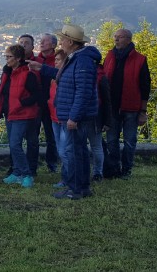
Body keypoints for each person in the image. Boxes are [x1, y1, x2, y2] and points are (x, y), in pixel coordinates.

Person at [31, 24, 101, 200]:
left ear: (70, 41)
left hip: (74, 116)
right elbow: (67, 77)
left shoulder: (82, 61)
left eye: (62, 39)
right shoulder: (77, 58)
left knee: (75, 153)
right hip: (72, 114)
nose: (60, 42)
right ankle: (80, 187)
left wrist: (73, 117)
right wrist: (42, 68)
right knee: (78, 152)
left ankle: (75, 189)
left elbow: (83, 91)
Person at [103, 28, 151, 180]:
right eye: (115, 36)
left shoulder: (140, 59)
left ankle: (127, 169)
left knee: (130, 141)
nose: (116, 40)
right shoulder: (110, 56)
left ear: (129, 39)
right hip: (112, 107)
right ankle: (114, 168)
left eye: (120, 37)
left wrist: (143, 111)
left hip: (131, 107)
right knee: (111, 140)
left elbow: (145, 86)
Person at [0, 44, 39, 189]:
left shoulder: (28, 75)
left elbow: (36, 95)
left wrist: (21, 103)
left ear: (18, 58)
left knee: (15, 144)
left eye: (9, 57)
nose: (7, 60)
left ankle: (26, 174)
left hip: (22, 114)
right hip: (10, 114)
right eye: (6, 57)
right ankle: (17, 172)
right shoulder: (8, 74)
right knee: (13, 145)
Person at [15, 34, 43, 176]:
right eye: (21, 43)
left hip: (33, 107)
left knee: (32, 139)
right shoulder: (13, 63)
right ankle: (17, 168)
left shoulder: (38, 62)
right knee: (16, 140)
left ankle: (31, 168)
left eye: (27, 43)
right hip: (16, 108)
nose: (24, 45)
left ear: (32, 47)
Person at [36, 33, 59, 174]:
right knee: (33, 136)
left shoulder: (58, 61)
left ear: (53, 45)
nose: (42, 42)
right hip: (37, 103)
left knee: (52, 136)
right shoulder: (35, 59)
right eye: (41, 40)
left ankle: (52, 164)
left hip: (51, 104)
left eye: (45, 41)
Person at [48, 49, 71, 189]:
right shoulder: (54, 79)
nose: (55, 62)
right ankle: (65, 177)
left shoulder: (67, 78)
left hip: (64, 118)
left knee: (64, 150)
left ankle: (70, 178)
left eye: (58, 60)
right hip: (54, 117)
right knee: (60, 149)